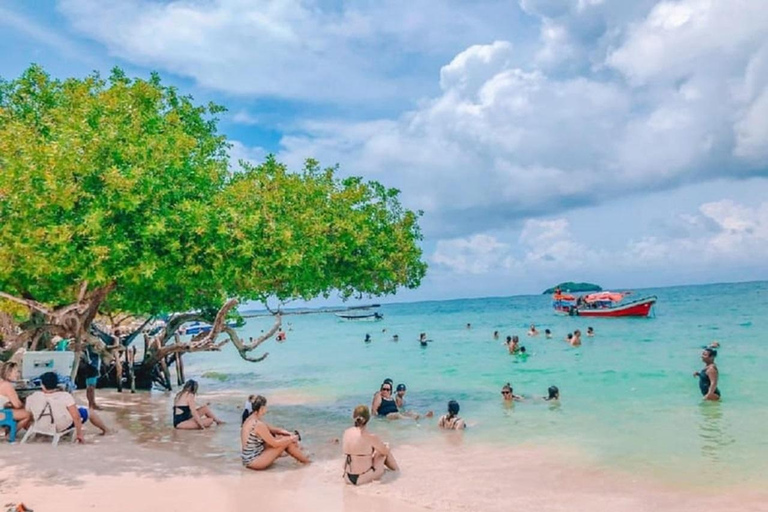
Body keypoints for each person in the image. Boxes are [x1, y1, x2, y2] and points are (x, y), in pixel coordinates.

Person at [25, 371, 108, 442]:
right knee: (89, 412)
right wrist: (79, 434)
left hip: (41, 425)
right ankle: (106, 430)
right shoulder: (65, 396)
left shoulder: (33, 396)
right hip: (61, 426)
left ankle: (44, 434)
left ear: (42, 385)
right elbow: (76, 417)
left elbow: (29, 413)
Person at [241, 395, 309, 470]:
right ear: (262, 408)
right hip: (253, 462)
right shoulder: (258, 424)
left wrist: (288, 433)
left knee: (282, 438)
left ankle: (300, 455)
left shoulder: (251, 419)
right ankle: (308, 463)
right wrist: (292, 438)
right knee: (287, 442)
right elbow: (275, 443)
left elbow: (273, 429)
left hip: (249, 458)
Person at [342, 405, 399, 485]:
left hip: (347, 477)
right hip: (362, 478)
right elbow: (385, 452)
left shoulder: (346, 432)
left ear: (353, 416)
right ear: (368, 419)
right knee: (385, 448)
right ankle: (398, 474)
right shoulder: (370, 437)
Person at [0, 362, 32, 431]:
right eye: (16, 372)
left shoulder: (2, 383)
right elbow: (17, 405)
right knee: (28, 414)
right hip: (2, 414)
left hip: (2, 411)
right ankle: (11, 434)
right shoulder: (7, 386)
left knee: (20, 411)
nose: (18, 374)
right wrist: (24, 403)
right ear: (9, 373)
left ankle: (30, 431)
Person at [83, 344, 102, 410]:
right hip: (92, 368)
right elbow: (89, 359)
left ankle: (92, 404)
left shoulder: (90, 349)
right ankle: (91, 405)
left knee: (90, 388)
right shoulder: (90, 349)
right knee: (91, 388)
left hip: (93, 368)